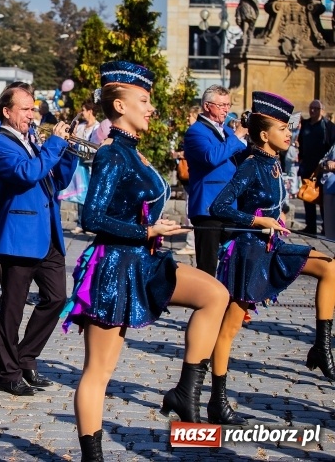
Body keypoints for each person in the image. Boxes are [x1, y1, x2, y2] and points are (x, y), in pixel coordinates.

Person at [63, 61, 229, 459]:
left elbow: (132, 208)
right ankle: (93, 456)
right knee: (99, 372)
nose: (151, 108)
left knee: (215, 295)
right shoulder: (112, 155)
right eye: (144, 100)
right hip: (114, 269)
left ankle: (185, 391)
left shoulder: (134, 153)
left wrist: (157, 226)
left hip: (143, 260)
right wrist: (146, 231)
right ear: (119, 105)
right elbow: (91, 218)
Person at [208, 92, 335, 425]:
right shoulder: (251, 165)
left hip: (270, 246)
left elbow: (269, 205)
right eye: (283, 128)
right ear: (265, 135)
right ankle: (216, 400)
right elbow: (219, 207)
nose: (289, 133)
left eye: (289, 127)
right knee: (228, 330)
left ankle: (321, 346)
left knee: (329, 267)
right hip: (247, 254)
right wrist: (257, 221)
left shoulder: (274, 164)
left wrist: (276, 218)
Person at [0, 81, 79, 397]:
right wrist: (53, 145)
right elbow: (28, 173)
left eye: (33, 108)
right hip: (20, 235)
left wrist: (69, 149)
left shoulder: (31, 140)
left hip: (48, 233)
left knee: (56, 299)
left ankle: (26, 357)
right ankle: (8, 373)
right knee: (12, 308)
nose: (32, 114)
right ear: (6, 111)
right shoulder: (0, 145)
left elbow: (57, 178)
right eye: (26, 109)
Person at [183, 85, 249, 276]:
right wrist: (237, 136)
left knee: (235, 259)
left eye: (228, 105)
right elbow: (211, 157)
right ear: (206, 106)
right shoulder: (196, 132)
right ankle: (206, 301)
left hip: (230, 204)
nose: (226, 110)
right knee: (207, 265)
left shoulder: (227, 132)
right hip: (208, 206)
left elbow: (241, 159)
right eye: (221, 105)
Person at [297, 100, 335, 234]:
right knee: (308, 195)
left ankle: (326, 226)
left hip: (322, 168)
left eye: (316, 108)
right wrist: (301, 159)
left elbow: (332, 146)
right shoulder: (306, 124)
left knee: (324, 199)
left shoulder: (329, 126)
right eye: (311, 108)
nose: (313, 110)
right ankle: (310, 225)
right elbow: (301, 142)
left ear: (322, 111)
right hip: (307, 165)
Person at [67, 99, 99, 235]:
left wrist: (80, 145)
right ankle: (80, 223)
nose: (82, 113)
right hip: (81, 165)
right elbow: (73, 140)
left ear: (90, 111)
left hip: (92, 164)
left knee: (92, 195)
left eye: (84, 110)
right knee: (80, 193)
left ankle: (91, 224)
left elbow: (96, 147)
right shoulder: (81, 127)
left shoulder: (98, 128)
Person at [175, 106, 203, 256]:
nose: (187, 119)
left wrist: (181, 154)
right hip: (189, 178)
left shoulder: (196, 133)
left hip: (192, 177)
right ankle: (192, 241)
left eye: (190, 116)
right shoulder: (193, 132)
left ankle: (191, 243)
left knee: (190, 211)